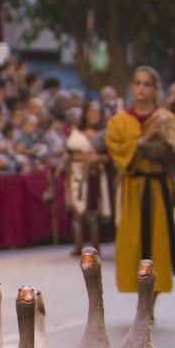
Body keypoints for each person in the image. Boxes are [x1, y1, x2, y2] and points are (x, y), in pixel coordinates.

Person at [106, 65, 175, 306]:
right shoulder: (120, 121)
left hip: (158, 189)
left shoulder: (166, 119)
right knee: (133, 243)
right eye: (137, 83)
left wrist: (151, 147)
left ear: (155, 89)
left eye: (147, 84)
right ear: (132, 87)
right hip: (133, 187)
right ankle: (142, 299)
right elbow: (117, 151)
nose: (141, 88)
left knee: (158, 244)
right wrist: (139, 144)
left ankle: (152, 300)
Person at [66, 101, 112, 253]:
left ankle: (95, 246)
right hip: (77, 174)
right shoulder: (76, 132)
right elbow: (69, 154)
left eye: (97, 112)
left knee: (93, 211)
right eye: (91, 112)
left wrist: (98, 158)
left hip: (94, 174)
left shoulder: (105, 134)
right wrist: (77, 158)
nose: (94, 115)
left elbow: (110, 156)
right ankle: (78, 244)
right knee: (77, 212)